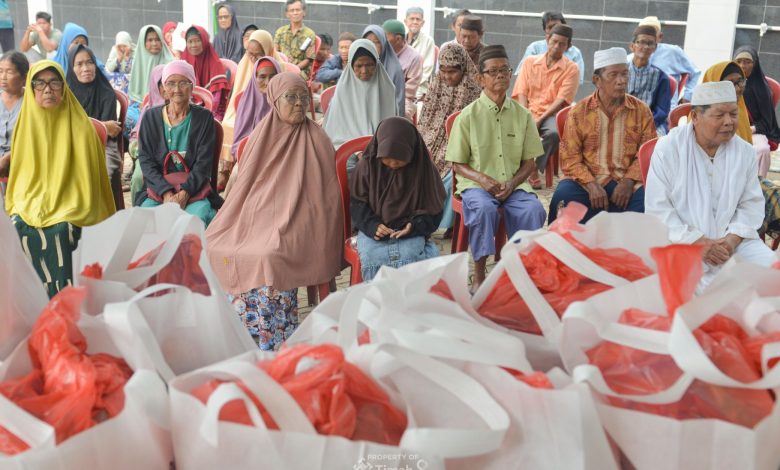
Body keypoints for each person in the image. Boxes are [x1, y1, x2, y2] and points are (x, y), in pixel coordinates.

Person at [206, 72, 343, 350]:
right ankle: (240, 327)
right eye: (290, 97)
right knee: (214, 244)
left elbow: (323, 197)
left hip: (301, 220)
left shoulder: (317, 138)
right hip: (255, 215)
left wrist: (285, 218)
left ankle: (274, 333)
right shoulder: (261, 135)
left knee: (270, 254)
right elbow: (245, 186)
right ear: (275, 101)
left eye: (303, 97)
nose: (299, 103)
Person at [645, 81, 773, 290]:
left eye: (733, 114)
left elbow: (751, 204)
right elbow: (658, 209)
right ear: (695, 117)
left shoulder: (744, 152)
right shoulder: (668, 149)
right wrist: (696, 242)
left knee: (772, 275)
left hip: (734, 243)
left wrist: (731, 240)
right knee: (704, 295)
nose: (729, 122)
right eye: (719, 115)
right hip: (681, 241)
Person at [4, 60, 115, 297]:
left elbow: (87, 184)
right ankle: (29, 301)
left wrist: (61, 204)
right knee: (16, 227)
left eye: (55, 83)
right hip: (30, 198)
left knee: (63, 230)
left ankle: (65, 301)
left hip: (73, 200)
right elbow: (21, 178)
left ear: (64, 87)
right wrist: (30, 203)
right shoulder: (25, 126)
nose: (48, 90)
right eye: (40, 83)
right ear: (31, 88)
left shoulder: (81, 127)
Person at [445, 45, 547, 290]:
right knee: (483, 210)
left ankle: (519, 270)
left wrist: (512, 183)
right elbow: (457, 163)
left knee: (533, 209)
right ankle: (480, 274)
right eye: (493, 71)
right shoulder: (468, 116)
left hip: (514, 185)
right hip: (477, 186)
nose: (500, 75)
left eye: (504, 70)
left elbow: (530, 162)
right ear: (480, 78)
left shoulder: (523, 115)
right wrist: (483, 179)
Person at [548, 48, 655, 224]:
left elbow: (646, 154)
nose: (621, 81)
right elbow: (570, 159)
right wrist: (592, 185)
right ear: (596, 80)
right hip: (586, 181)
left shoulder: (641, 111)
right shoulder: (579, 112)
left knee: (650, 202)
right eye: (613, 75)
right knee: (563, 199)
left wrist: (628, 182)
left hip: (628, 181)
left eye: (624, 74)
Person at [351, 117, 445, 281]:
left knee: (410, 255)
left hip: (409, 230)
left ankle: (410, 296)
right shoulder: (367, 166)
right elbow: (358, 204)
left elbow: (434, 209)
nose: (393, 163)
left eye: (400, 158)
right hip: (374, 229)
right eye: (387, 158)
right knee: (373, 257)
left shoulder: (423, 169)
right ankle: (379, 296)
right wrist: (372, 225)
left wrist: (415, 226)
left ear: (412, 151)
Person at [135, 60, 222, 226]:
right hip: (159, 191)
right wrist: (166, 193)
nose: (177, 89)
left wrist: (184, 194)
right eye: (171, 83)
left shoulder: (204, 118)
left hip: (194, 192)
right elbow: (146, 161)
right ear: (164, 87)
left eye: (183, 83)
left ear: (192, 86)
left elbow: (204, 164)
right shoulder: (150, 118)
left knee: (192, 224)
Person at [418, 43, 481, 234]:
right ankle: (419, 221)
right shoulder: (436, 84)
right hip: (431, 138)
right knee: (418, 165)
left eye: (452, 71)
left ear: (463, 68)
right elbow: (425, 120)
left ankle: (446, 223)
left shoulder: (474, 91)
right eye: (443, 71)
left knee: (447, 177)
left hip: (460, 145)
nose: (447, 76)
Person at [512, 23, 579, 189]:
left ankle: (533, 167)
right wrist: (527, 116)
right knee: (506, 129)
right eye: (554, 41)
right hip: (525, 109)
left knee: (554, 133)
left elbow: (561, 100)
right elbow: (521, 91)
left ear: (568, 46)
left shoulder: (572, 69)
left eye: (562, 44)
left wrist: (539, 120)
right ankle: (510, 167)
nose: (556, 46)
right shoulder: (530, 62)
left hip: (550, 115)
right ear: (547, 39)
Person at [67, 44, 124, 210]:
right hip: (72, 146)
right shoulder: (66, 94)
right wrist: (101, 125)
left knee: (95, 177)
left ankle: (100, 217)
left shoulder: (105, 92)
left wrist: (83, 126)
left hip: (103, 147)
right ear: (71, 68)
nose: (86, 68)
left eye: (90, 62)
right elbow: (64, 129)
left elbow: (108, 133)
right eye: (79, 64)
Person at [322, 39, 397, 148]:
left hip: (382, 146)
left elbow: (392, 129)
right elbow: (335, 131)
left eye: (370, 65)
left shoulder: (387, 88)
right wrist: (357, 148)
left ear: (377, 63)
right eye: (359, 66)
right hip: (348, 146)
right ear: (351, 66)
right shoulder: (343, 90)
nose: (364, 71)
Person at [631, 16, 701, 104]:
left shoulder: (673, 52)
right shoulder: (630, 59)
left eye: (652, 33)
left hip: (666, 108)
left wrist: (688, 96)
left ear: (660, 36)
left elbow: (695, 72)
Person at [734, 46, 780, 178]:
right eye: (739, 61)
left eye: (747, 62)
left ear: (755, 64)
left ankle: (756, 183)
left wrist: (748, 129)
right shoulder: (727, 83)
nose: (742, 66)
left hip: (753, 131)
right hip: (728, 128)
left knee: (762, 149)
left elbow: (766, 122)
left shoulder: (761, 88)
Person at [230, 56, 283, 163]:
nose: (268, 82)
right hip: (251, 157)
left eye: (273, 76)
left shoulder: (286, 102)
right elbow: (238, 144)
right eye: (262, 77)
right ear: (255, 78)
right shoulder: (246, 102)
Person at [129, 64, 167, 203]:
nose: (167, 88)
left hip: (177, 156)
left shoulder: (185, 108)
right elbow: (136, 135)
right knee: (138, 178)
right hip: (149, 156)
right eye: (162, 84)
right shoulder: (149, 109)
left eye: (170, 82)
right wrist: (136, 147)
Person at [514, 12, 585, 84]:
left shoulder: (575, 53)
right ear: (545, 30)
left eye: (557, 27)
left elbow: (575, 81)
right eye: (550, 27)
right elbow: (522, 76)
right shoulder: (534, 48)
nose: (554, 30)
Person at [628, 25, 671, 135]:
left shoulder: (661, 77)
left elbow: (662, 111)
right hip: (623, 122)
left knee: (658, 139)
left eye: (650, 43)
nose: (646, 47)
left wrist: (644, 126)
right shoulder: (620, 72)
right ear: (632, 46)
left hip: (651, 123)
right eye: (641, 42)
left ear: (655, 48)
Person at [181, 26, 230, 121]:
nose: (193, 45)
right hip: (187, 109)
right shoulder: (184, 61)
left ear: (204, 41)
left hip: (211, 111)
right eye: (190, 41)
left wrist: (202, 116)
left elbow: (216, 100)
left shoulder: (215, 63)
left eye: (197, 41)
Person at [702, 61, 752, 144]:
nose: (737, 89)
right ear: (714, 86)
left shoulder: (740, 111)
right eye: (729, 84)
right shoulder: (701, 117)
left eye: (740, 81)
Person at [363, 25, 405, 117]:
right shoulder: (358, 66)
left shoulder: (394, 69)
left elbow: (398, 103)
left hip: (386, 118)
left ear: (383, 44)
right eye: (368, 42)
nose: (372, 46)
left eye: (377, 42)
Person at [383, 19, 422, 120]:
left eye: (385, 37)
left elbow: (409, 91)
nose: (382, 41)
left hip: (404, 98)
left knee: (401, 115)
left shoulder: (414, 57)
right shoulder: (382, 53)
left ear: (398, 39)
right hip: (381, 95)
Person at [0, 52, 28, 182]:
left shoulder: (31, 102)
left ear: (24, 77)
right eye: (0, 71)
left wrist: (8, 158)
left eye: (9, 72)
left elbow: (33, 139)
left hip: (23, 163)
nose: (3, 77)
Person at [128, 25, 173, 104]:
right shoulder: (137, 62)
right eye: (150, 40)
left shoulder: (171, 64)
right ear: (143, 42)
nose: (154, 43)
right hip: (138, 104)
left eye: (157, 39)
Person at [274, 0, 316, 80]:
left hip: (300, 72)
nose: (295, 13)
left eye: (298, 10)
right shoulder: (280, 32)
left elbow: (308, 59)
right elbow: (275, 53)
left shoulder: (309, 34)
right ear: (287, 14)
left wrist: (293, 69)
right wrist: (283, 68)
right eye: (292, 10)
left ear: (304, 12)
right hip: (281, 70)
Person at [404, 7, 436, 98]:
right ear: (405, 21)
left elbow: (427, 69)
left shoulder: (428, 41)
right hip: (400, 86)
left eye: (418, 19)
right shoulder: (400, 39)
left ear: (423, 23)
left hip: (419, 88)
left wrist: (409, 85)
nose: (415, 22)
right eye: (412, 19)